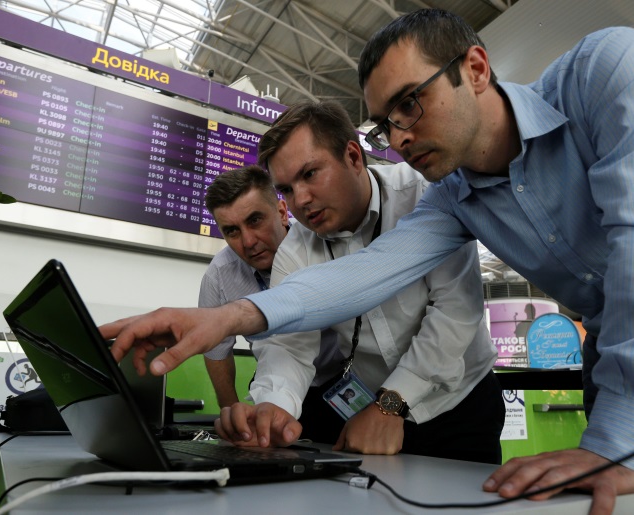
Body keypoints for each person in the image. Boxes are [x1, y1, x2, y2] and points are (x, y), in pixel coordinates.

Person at [101, 9, 634, 512]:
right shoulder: (453, 196)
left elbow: (462, 314)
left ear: (474, 68)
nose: (399, 137)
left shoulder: (604, 72)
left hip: (473, 398)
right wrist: (229, 319)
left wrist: (613, 438)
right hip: (610, 362)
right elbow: (368, 273)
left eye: (410, 102)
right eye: (385, 122)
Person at [218, 100, 503, 463]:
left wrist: (391, 405)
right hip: (370, 414)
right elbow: (289, 346)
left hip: (459, 405)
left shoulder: (424, 196)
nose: (301, 201)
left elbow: (455, 313)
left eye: (310, 174)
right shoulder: (296, 249)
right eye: (286, 189)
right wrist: (272, 406)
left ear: (353, 156)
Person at [200, 165, 344, 407]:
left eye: (255, 220)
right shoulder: (219, 274)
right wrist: (229, 409)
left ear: (281, 212)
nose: (248, 242)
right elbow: (216, 349)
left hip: (342, 381)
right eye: (232, 231)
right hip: (274, 382)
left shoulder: (325, 246)